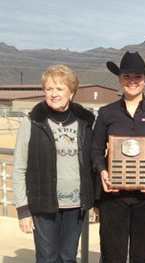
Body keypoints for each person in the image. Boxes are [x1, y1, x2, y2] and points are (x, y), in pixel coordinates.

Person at [91, 51, 145, 262]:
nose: (132, 81)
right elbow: (95, 150)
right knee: (112, 255)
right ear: (119, 79)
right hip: (113, 195)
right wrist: (102, 172)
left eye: (137, 77)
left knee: (142, 255)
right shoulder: (106, 113)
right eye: (127, 77)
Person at [12, 64, 95, 262]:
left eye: (60, 88)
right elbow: (19, 168)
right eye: (49, 89)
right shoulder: (32, 122)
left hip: (76, 204)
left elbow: (92, 162)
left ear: (71, 92)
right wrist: (23, 210)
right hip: (43, 204)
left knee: (68, 257)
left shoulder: (85, 123)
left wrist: (94, 201)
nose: (54, 94)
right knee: (47, 257)